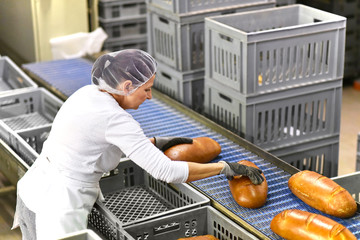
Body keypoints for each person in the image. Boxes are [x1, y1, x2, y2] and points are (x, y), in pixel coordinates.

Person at [12, 49, 264, 240]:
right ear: (127, 86)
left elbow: (95, 140)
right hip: (57, 209)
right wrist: (224, 168)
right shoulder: (117, 119)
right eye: (147, 90)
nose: (150, 97)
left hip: (34, 191)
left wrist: (153, 142)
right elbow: (167, 172)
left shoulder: (87, 94)